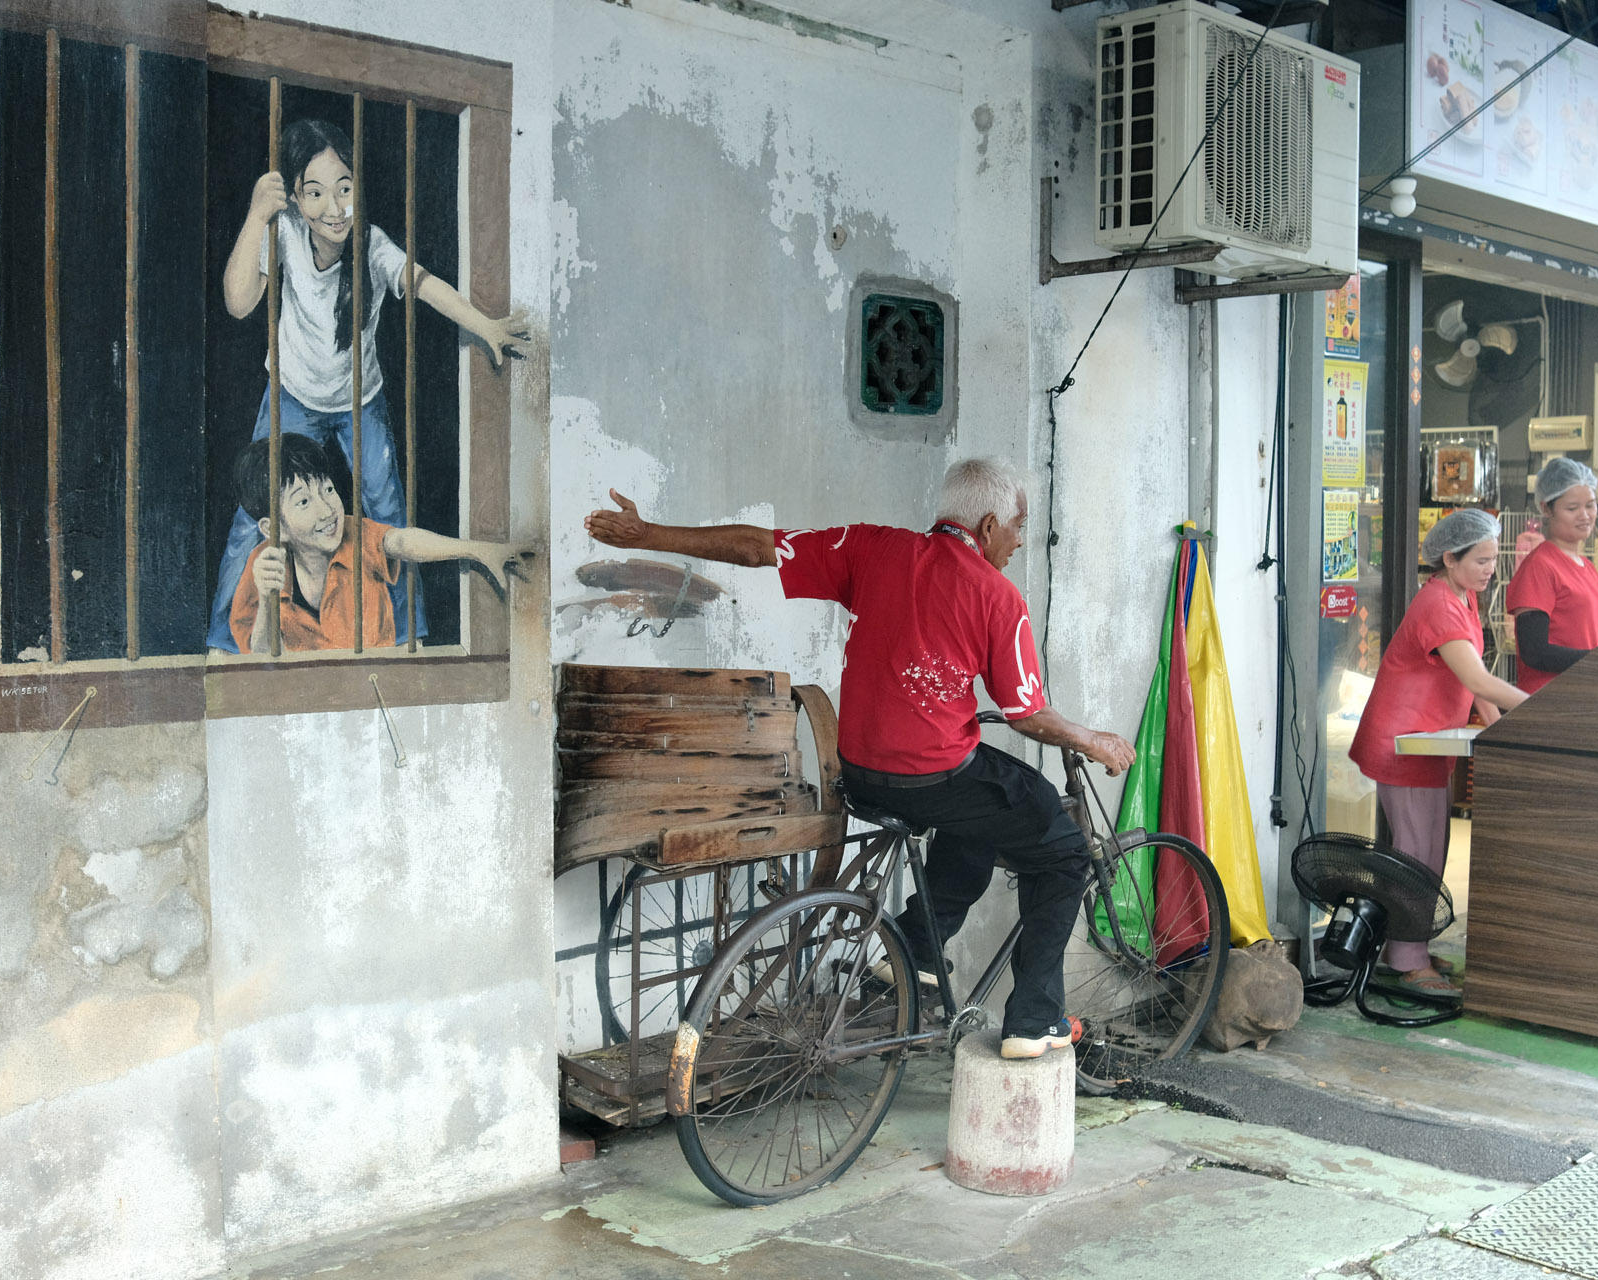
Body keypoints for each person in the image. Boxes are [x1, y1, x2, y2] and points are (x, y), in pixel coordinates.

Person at [584, 458, 1136, 1059]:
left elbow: (756, 548)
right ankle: (1035, 1021)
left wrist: (651, 535)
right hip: (931, 777)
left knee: (985, 810)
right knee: (1061, 851)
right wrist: (1093, 739)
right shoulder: (997, 597)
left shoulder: (871, 548)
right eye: (1018, 527)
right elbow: (1027, 714)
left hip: (864, 777)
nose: (1020, 541)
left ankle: (917, 959)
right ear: (987, 523)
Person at [209, 117, 532, 653]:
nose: (334, 208)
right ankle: (224, 645)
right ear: (294, 196)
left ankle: (407, 639)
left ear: (358, 187)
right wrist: (255, 215)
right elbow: (238, 302)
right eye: (315, 193)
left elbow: (428, 288)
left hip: (360, 402)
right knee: (256, 519)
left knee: (387, 520)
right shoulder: (284, 231)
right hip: (289, 392)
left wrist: (487, 327)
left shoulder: (373, 246)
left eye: (344, 188)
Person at [1348, 509, 1527, 997]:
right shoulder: (1438, 605)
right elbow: (1477, 679)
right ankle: (1405, 958)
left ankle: (1413, 947)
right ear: (1450, 558)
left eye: (1494, 559)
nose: (1491, 569)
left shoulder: (1464, 598)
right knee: (1414, 852)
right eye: (1482, 560)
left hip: (1428, 744)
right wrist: (1539, 707)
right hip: (1403, 744)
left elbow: (1474, 684)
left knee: (1433, 849)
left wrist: (1503, 727)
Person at [229, 435, 527, 654]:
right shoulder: (263, 565)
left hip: (373, 687)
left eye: (328, 489)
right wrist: (268, 599)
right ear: (274, 528)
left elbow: (401, 540)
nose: (327, 510)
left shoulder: (355, 534)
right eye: (304, 501)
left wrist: (477, 549)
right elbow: (263, 661)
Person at [1507, 457, 1598, 695]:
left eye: (1590, 505)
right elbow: (1535, 652)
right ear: (1546, 508)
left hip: (1583, 697)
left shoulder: (1587, 568)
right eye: (1572, 508)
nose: (1584, 515)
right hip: (1550, 700)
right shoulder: (1540, 566)